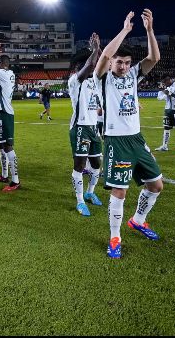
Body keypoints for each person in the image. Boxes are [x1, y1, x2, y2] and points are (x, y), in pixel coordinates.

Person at [94, 9, 163, 259]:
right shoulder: (102, 78)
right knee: (119, 191)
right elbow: (104, 55)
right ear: (112, 63)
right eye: (119, 62)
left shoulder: (133, 74)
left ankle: (138, 220)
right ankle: (115, 237)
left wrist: (149, 30)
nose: (123, 66)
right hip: (116, 142)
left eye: (126, 62)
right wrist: (125, 30)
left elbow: (154, 57)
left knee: (156, 185)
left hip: (137, 139)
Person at [67, 33, 103, 217]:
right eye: (91, 64)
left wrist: (99, 51)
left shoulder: (93, 82)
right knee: (79, 166)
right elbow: (90, 64)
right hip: (79, 128)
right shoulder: (75, 80)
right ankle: (80, 201)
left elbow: (101, 65)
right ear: (78, 67)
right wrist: (95, 48)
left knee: (97, 164)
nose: (94, 66)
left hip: (93, 128)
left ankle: (90, 191)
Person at [0, 43, 21, 192]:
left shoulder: (3, 73)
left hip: (5, 112)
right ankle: (4, 175)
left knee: (8, 146)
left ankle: (15, 180)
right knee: (1, 145)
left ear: (2, 64)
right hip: (0, 112)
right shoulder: (7, 74)